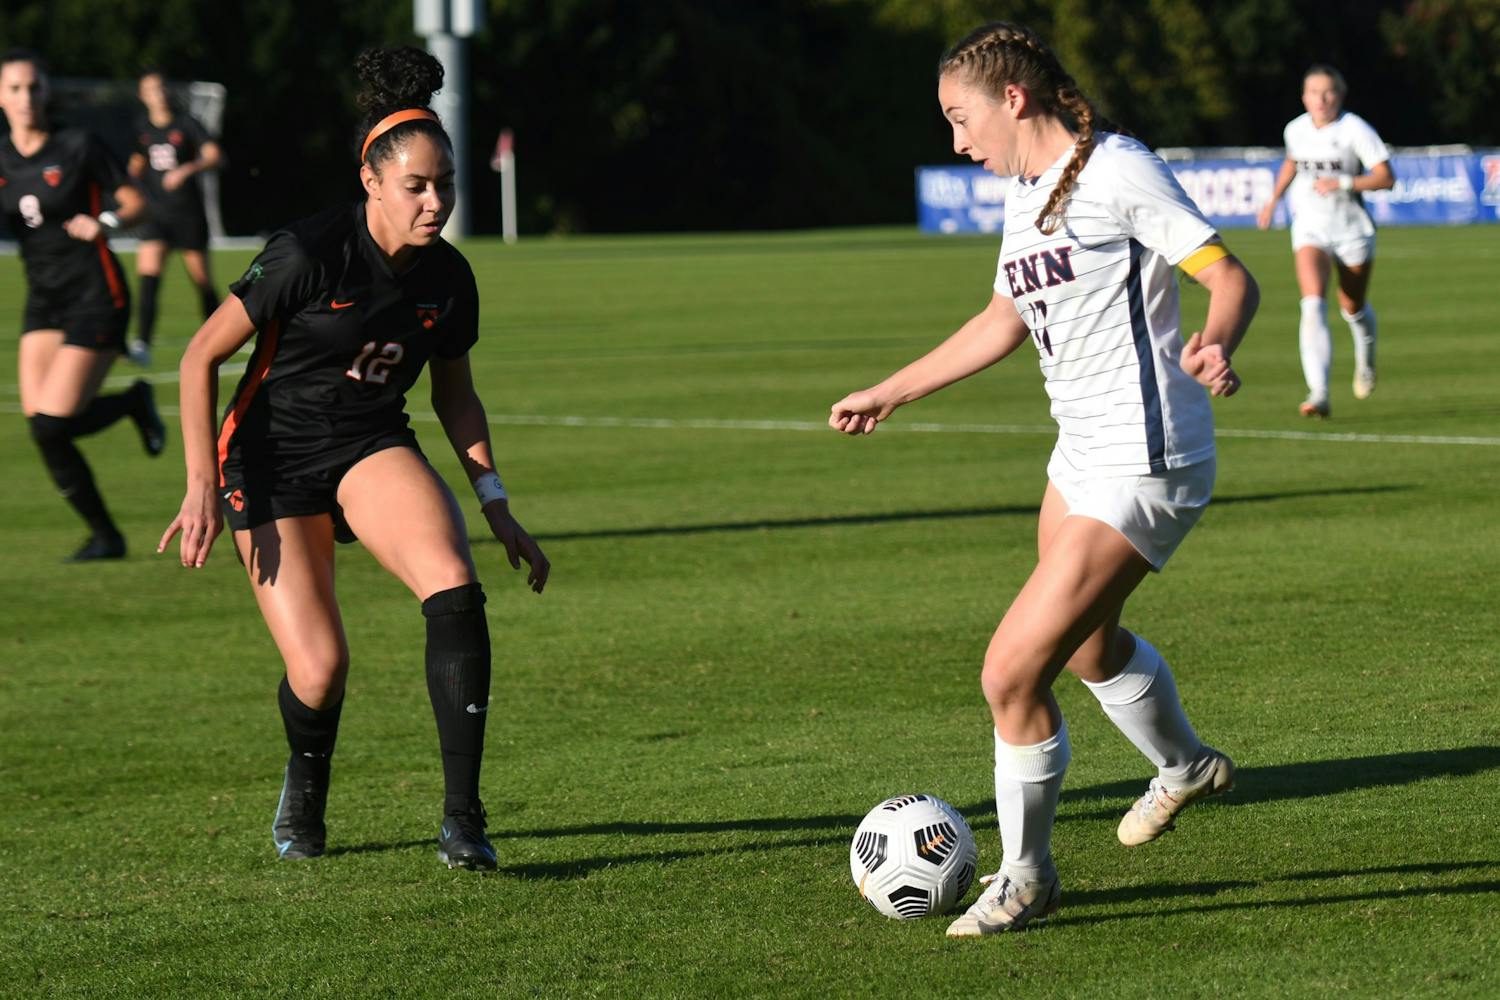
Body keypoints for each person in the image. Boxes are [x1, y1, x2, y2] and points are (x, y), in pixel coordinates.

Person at [829, 21, 1259, 937]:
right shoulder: (1027, 193)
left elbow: (1230, 277)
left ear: (1011, 99)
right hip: (1078, 455)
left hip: (1147, 460)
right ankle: (1185, 767)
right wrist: (891, 390)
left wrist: (1217, 342)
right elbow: (1002, 318)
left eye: (959, 118)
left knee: (1009, 672)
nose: (956, 142)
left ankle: (1028, 877)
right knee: (1086, 647)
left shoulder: (1119, 171)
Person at [159, 46, 550, 871]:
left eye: (445, 184)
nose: (436, 201)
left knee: (455, 587)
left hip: (370, 445)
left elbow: (454, 396)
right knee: (321, 666)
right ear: (371, 181)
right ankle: (305, 784)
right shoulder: (305, 252)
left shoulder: (449, 278)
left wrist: (496, 501)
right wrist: (199, 485)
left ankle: (463, 820)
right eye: (417, 186)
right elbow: (200, 358)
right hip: (272, 460)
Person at [0, 48, 165, 562]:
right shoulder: (2, 158)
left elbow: (135, 202)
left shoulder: (78, 144)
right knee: (44, 426)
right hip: (44, 299)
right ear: (1, 97)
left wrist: (107, 223)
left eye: (34, 87)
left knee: (52, 423)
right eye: (15, 89)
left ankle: (135, 407)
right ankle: (106, 536)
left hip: (96, 292)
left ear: (47, 93)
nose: (26, 98)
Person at [1256, 66, 1393, 418]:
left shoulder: (1355, 129)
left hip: (1351, 230)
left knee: (1353, 307)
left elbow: (1385, 177)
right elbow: (1292, 160)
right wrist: (1273, 200)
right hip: (1310, 227)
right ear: (1304, 97)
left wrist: (1344, 183)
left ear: (1340, 95)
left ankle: (1366, 360)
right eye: (1313, 92)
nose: (1321, 99)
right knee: (1312, 302)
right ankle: (1318, 392)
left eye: (1328, 92)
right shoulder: (1296, 129)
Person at [125, 68, 222, 367]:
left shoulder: (187, 124)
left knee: (202, 281)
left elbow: (214, 155)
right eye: (152, 89)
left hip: (187, 214)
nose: (159, 94)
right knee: (148, 276)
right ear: (143, 96)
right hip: (156, 215)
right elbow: (136, 164)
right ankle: (142, 342)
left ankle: (219, 337)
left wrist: (186, 170)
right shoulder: (141, 128)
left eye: (162, 87)